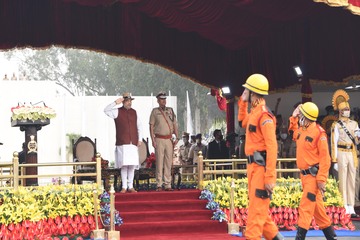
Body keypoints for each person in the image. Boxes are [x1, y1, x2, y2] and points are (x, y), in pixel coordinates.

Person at [237, 73, 283, 240]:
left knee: (255, 220)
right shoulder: (255, 112)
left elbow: (272, 147)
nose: (245, 92)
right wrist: (242, 102)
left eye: (247, 90)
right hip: (253, 169)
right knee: (262, 217)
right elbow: (242, 122)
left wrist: (270, 177)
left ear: (253, 93)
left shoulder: (264, 115)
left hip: (261, 170)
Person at [289, 102, 336, 240]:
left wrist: (321, 179)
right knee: (319, 211)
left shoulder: (319, 133)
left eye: (302, 113)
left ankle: (299, 238)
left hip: (313, 178)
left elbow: (325, 159)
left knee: (305, 207)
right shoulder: (303, 130)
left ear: (307, 116)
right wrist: (293, 117)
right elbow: (294, 133)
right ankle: (332, 237)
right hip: (305, 177)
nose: (300, 115)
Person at [104, 92, 143, 193]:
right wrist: (115, 102)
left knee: (132, 165)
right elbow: (106, 110)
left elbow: (139, 126)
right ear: (123, 102)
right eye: (127, 101)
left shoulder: (134, 112)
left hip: (133, 142)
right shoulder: (117, 111)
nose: (129, 103)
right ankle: (124, 187)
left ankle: (130, 186)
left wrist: (140, 139)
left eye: (130, 101)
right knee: (124, 165)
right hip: (123, 143)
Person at [330, 89, 360, 217]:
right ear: (340, 111)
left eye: (348, 109)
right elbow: (333, 143)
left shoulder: (354, 124)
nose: (347, 111)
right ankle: (344, 205)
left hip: (351, 152)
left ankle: (351, 206)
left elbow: (357, 141)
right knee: (342, 179)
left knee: (352, 179)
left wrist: (358, 135)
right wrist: (334, 160)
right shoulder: (336, 125)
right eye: (345, 109)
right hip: (341, 152)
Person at [149, 91, 179, 191]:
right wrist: (153, 140)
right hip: (159, 138)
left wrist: (177, 137)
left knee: (168, 161)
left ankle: (167, 184)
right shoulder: (155, 111)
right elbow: (151, 126)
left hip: (169, 139)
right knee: (159, 162)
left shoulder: (170, 110)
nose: (164, 101)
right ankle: (159, 184)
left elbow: (175, 124)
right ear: (158, 100)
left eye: (164, 99)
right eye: (161, 99)